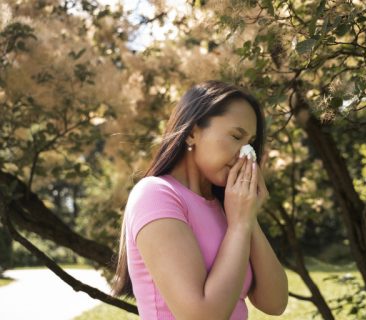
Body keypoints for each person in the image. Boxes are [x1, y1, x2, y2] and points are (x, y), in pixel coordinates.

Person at [111, 80, 289, 319]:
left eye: (250, 144)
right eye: (236, 136)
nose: (246, 155)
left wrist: (248, 218)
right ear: (193, 132)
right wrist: (238, 226)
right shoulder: (155, 195)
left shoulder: (228, 208)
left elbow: (275, 302)